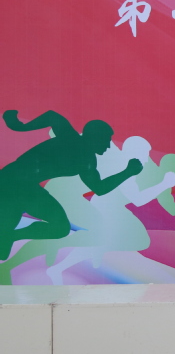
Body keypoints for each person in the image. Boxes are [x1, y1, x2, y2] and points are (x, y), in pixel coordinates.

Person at [0, 110, 143, 262]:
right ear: (95, 138)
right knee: (59, 227)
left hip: (19, 185)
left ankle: (9, 235)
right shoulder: (70, 138)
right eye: (106, 140)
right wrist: (18, 126)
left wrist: (128, 172)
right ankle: (10, 235)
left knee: (7, 247)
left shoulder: (87, 162)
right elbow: (52, 116)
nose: (108, 146)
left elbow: (99, 188)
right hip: (15, 184)